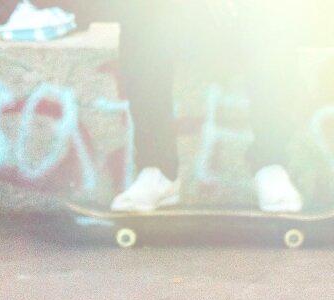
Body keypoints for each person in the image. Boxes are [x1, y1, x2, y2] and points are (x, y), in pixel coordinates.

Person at [111, 0, 305, 213]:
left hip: (246, 18)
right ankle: (158, 171)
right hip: (183, 19)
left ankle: (271, 165)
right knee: (141, 11)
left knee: (277, 9)